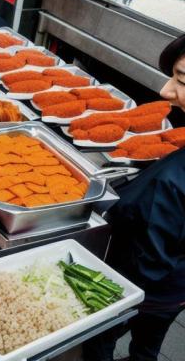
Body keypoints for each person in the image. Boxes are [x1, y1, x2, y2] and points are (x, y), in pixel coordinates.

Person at [82, 34, 185, 361]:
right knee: (149, 342)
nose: (166, 91)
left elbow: (149, 266)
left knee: (100, 339)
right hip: (177, 288)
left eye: (182, 80)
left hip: (149, 286)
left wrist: (105, 294)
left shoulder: (173, 181)